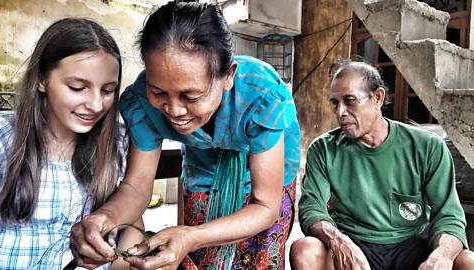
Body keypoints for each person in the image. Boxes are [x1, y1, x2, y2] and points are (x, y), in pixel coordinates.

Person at [69, 1, 301, 269]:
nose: (175, 111)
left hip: (265, 175)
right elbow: (137, 186)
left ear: (228, 77)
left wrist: (192, 236)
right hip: (204, 168)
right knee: (198, 259)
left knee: (255, 259)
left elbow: (264, 205)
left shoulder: (261, 96)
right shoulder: (140, 103)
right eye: (158, 92)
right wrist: (106, 217)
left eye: (191, 96)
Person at [290, 60, 474, 270]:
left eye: (349, 100)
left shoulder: (427, 146)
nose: (340, 111)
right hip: (354, 242)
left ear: (377, 98)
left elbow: (449, 215)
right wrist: (339, 242)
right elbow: (311, 208)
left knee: (467, 261)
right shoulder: (323, 149)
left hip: (410, 243)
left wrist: (441, 256)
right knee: (305, 250)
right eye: (335, 102)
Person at [0, 18, 143, 269]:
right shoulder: (2, 138)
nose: (96, 105)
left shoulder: (117, 143)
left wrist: (121, 261)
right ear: (41, 80)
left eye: (107, 90)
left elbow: (134, 221)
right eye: (77, 88)